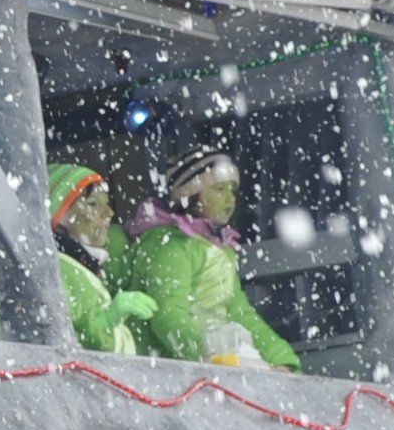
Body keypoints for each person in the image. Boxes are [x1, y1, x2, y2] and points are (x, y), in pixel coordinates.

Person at [114, 145, 302, 371]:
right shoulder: (169, 246)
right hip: (171, 371)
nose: (230, 198)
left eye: (233, 189)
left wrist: (281, 360)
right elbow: (168, 316)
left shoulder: (221, 249)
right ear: (191, 195)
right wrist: (207, 359)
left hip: (217, 365)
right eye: (219, 189)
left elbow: (240, 313)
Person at [0, 162, 162, 352]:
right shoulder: (53, 271)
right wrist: (105, 322)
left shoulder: (76, 268)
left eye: (106, 204)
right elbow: (47, 347)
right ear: (58, 214)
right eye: (92, 204)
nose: (108, 212)